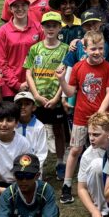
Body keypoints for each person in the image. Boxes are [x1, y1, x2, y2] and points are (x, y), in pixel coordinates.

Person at [57, 31, 109, 204]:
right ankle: (67, 185)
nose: (97, 52)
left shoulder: (108, 67)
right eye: (93, 49)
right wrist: (62, 80)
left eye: (100, 48)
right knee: (75, 149)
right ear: (85, 49)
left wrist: (99, 113)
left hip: (103, 117)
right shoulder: (78, 67)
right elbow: (70, 92)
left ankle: (107, 182)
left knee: (106, 149)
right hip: (81, 116)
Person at [24, 11, 69, 179]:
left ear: (59, 28)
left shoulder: (65, 50)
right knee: (36, 131)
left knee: (58, 131)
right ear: (42, 27)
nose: (51, 28)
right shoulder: (35, 48)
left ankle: (60, 162)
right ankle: (36, 164)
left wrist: (57, 98)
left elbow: (66, 75)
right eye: (47, 25)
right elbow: (29, 73)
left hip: (55, 100)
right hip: (38, 100)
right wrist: (36, 95)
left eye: (54, 25)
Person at [0, 0, 45, 100]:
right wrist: (16, 85)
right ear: (10, 9)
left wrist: (31, 82)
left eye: (23, 5)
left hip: (35, 85)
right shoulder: (3, 31)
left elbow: (42, 57)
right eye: (16, 6)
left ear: (28, 6)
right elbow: (1, 62)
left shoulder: (39, 28)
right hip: (10, 88)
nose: (20, 8)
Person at [77, 112, 109, 217]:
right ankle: (103, 212)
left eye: (96, 134)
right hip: (102, 192)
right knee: (97, 165)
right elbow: (81, 188)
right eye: (89, 134)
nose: (91, 138)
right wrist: (94, 211)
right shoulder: (88, 155)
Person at [14, 92, 49, 168]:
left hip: (33, 169)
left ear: (34, 107)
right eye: (19, 104)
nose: (23, 107)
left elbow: (41, 153)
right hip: (14, 168)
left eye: (27, 104)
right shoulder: (11, 126)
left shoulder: (39, 127)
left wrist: (33, 169)